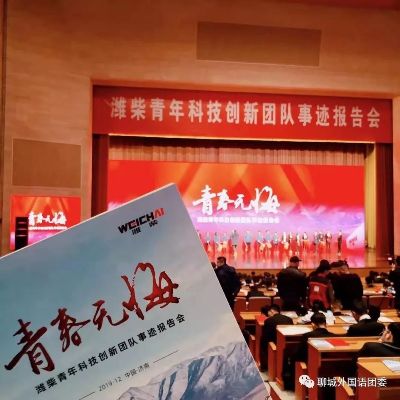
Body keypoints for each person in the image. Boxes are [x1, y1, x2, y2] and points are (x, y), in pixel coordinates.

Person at [259, 304, 293, 371]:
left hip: (274, 343)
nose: (267, 314)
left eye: (268, 312)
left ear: (271, 311)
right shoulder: (289, 319)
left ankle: (264, 366)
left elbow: (266, 336)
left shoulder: (268, 321)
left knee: (262, 340)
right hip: (287, 344)